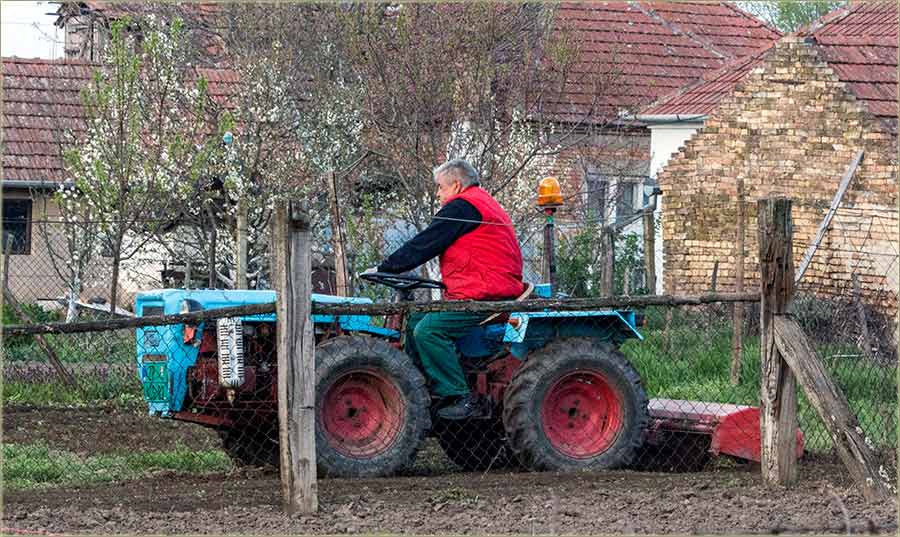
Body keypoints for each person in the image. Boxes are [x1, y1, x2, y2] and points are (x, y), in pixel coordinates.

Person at [365, 159, 526, 420]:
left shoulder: (463, 206)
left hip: (484, 294)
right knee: (416, 321)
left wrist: (387, 267)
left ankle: (459, 396)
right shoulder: (481, 203)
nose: (438, 194)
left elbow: (426, 243)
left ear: (456, 185)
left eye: (440, 188)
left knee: (429, 330)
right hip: (482, 289)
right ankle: (417, 392)